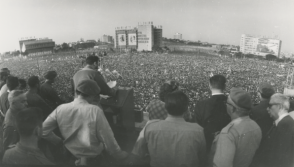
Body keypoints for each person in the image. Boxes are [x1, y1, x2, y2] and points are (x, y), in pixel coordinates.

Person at [42, 80, 128, 165]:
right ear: (93, 95)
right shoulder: (95, 110)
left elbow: (43, 130)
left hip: (70, 158)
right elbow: (107, 137)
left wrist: (58, 141)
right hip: (92, 161)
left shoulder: (60, 108)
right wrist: (118, 154)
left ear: (77, 92)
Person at [132, 91, 206, 167]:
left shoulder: (150, 127)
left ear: (166, 107)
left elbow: (137, 155)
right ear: (186, 108)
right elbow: (203, 159)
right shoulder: (198, 131)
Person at [210, 87, 261, 167]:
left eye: (227, 103)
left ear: (232, 109)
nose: (226, 105)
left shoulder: (228, 133)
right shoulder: (256, 126)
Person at [250, 93, 294, 167]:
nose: (267, 108)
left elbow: (280, 159)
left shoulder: (285, 125)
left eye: (270, 106)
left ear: (280, 106)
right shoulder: (283, 123)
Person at [192, 74, 230, 151]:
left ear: (210, 86)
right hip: (228, 144)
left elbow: (197, 128)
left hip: (207, 145)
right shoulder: (232, 104)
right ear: (224, 86)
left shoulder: (201, 105)